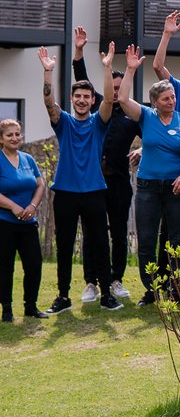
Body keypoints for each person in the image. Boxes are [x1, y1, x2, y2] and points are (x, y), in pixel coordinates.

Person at [39, 45, 120, 313]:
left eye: (87, 96)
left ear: (92, 101)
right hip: (65, 192)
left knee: (99, 244)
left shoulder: (99, 122)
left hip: (95, 191)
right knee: (64, 246)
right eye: (78, 96)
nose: (83, 100)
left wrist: (107, 67)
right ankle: (63, 296)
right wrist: (48, 73)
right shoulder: (63, 122)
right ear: (72, 100)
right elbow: (49, 103)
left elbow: (110, 100)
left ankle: (107, 294)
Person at [115, 45, 180, 305]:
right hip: (148, 187)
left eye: (173, 97)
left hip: (177, 188)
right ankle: (152, 290)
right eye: (166, 98)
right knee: (147, 240)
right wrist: (130, 70)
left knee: (177, 240)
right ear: (155, 102)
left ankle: (175, 290)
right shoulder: (146, 117)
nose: (171, 101)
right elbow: (123, 100)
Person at [71, 27, 139, 302]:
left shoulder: (133, 115)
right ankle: (91, 282)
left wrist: (144, 149)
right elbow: (81, 79)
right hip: (93, 182)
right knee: (91, 233)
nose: (116, 90)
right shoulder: (100, 108)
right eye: (112, 86)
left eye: (120, 87)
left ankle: (116, 279)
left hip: (120, 182)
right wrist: (78, 50)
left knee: (119, 234)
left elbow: (155, 134)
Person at [0, 118, 45, 322]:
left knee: (34, 264)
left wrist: (32, 206)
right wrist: (13, 206)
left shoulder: (28, 159)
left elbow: (40, 184)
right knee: (5, 266)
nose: (15, 138)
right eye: (10, 134)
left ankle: (31, 307)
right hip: (4, 223)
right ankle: (7, 309)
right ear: (1, 138)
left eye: (17, 134)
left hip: (28, 223)